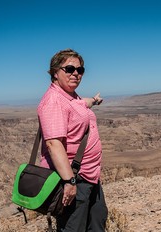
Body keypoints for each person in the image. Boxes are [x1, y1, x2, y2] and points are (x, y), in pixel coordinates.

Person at [37, 48, 108, 231]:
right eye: (69, 69)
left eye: (80, 70)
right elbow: (53, 144)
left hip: (89, 175)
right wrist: (69, 181)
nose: (76, 73)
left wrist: (94, 100)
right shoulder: (54, 101)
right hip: (74, 178)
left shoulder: (70, 97)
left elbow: (81, 103)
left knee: (97, 220)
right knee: (73, 227)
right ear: (55, 72)